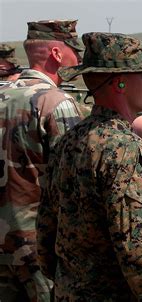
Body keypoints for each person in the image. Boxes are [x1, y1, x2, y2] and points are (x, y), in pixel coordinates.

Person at [36, 32, 142, 301]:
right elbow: (141, 250)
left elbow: (45, 230)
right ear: (120, 83)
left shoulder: (70, 140)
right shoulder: (125, 149)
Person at [0, 20, 84, 302]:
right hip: (40, 246)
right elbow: (74, 183)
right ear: (57, 55)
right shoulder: (56, 103)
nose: (80, 58)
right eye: (75, 50)